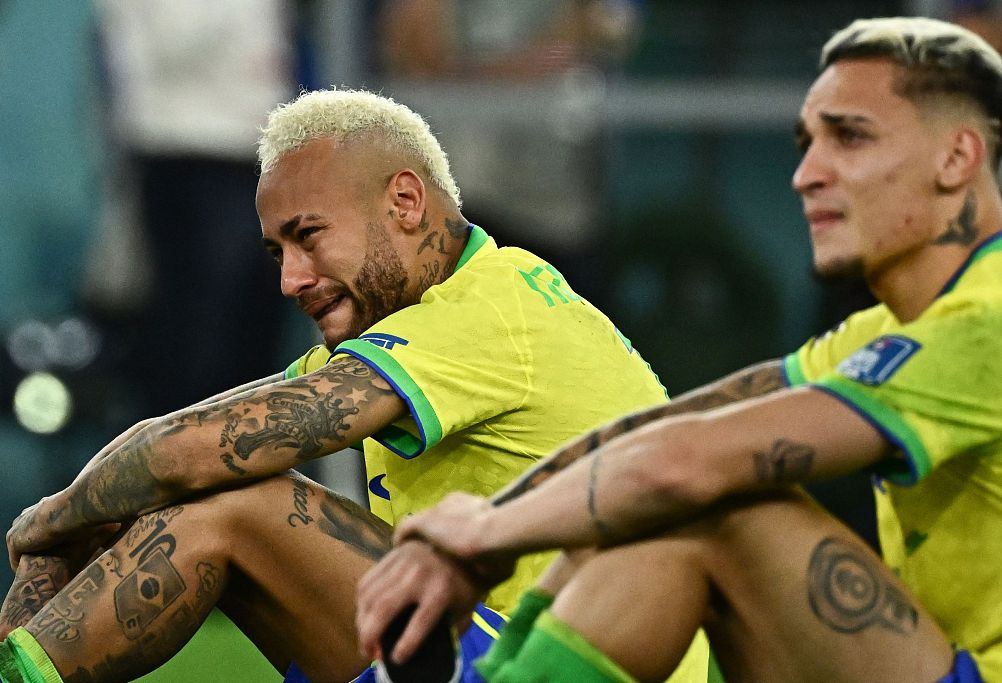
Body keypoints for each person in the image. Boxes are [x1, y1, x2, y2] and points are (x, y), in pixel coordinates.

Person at [357, 16, 1002, 682]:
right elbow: (668, 430)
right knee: (658, 488)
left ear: (956, 158)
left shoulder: (995, 325)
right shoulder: (896, 329)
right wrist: (491, 527)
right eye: (807, 141)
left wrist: (483, 532)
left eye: (849, 136)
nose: (806, 174)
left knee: (713, 503)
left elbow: (686, 465)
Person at [0, 89, 705, 682]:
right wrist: (59, 538)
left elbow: (194, 451)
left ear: (404, 201)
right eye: (278, 251)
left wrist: (49, 520)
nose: (290, 279)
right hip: (521, 651)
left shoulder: (490, 309)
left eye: (310, 236)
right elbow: (193, 437)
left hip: (573, 665)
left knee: (238, 502)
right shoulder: (421, 326)